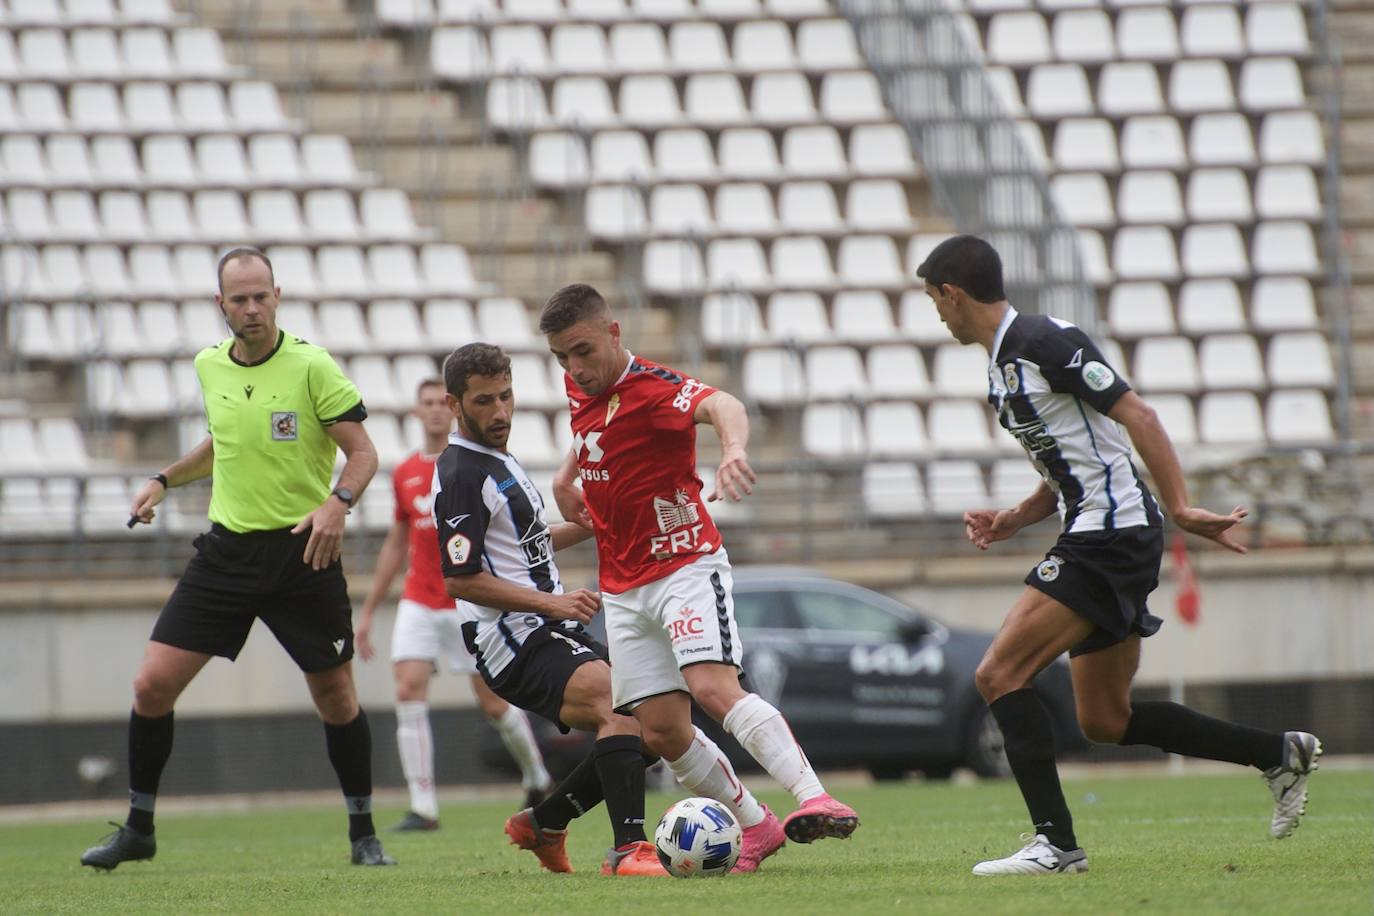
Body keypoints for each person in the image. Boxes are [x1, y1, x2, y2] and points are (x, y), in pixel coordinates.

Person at [916, 234, 1322, 876]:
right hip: (1099, 529)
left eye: (935, 301)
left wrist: (1182, 507)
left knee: (998, 674)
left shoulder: (1046, 340)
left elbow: (1139, 416)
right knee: (1106, 719)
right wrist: (1014, 517)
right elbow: (1071, 458)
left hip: (1111, 534)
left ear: (952, 293)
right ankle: (1278, 752)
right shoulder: (1000, 364)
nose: (937, 315)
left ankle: (1056, 845)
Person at [80, 247, 396, 870]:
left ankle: (364, 834)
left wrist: (338, 503)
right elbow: (222, 443)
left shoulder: (311, 366)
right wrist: (164, 479)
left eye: (261, 296)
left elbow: (363, 454)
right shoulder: (210, 366)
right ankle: (139, 828)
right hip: (226, 553)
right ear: (220, 305)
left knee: (336, 697)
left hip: (303, 551)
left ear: (278, 294)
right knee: (151, 685)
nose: (251, 309)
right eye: (239, 299)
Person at [540, 284, 860, 875]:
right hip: (622, 584)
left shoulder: (655, 389)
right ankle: (756, 826)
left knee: (712, 686)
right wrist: (567, 475)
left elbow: (724, 403)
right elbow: (591, 432)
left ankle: (815, 796)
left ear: (613, 333)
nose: (574, 368)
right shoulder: (579, 384)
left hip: (684, 563)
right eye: (562, 357)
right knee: (662, 731)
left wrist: (732, 449)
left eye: (582, 351)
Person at [433, 342, 666, 876]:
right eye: (485, 401)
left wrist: (591, 524)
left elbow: (526, 545)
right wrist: (552, 600)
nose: (500, 412)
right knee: (619, 701)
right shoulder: (463, 472)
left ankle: (546, 822)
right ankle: (629, 851)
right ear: (455, 404)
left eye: (507, 396)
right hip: (512, 636)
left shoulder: (499, 458)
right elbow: (460, 579)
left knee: (655, 719)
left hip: (546, 625)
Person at [356, 378, 554, 831]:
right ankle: (423, 806)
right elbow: (395, 545)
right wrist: (367, 612)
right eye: (423, 403)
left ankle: (537, 775)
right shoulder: (404, 472)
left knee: (491, 701)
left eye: (437, 403)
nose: (432, 411)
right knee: (407, 688)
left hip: (465, 602)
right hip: (419, 600)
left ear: (451, 409)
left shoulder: (466, 466)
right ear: (416, 411)